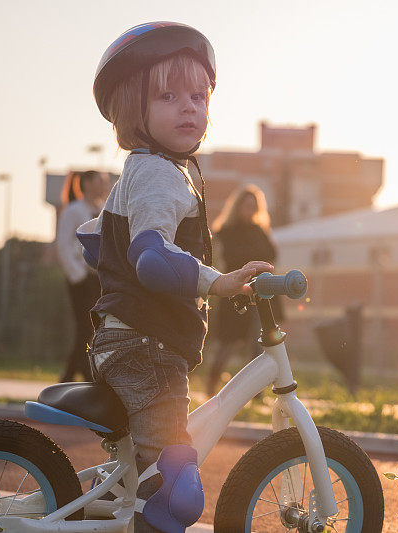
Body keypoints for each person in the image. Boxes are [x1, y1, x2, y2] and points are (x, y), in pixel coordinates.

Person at [77, 22, 273, 532]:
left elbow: (97, 243)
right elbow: (152, 259)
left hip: (121, 341)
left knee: (142, 473)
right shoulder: (162, 173)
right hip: (146, 350)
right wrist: (222, 282)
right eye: (168, 95)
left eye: (198, 94)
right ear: (132, 111)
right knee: (175, 490)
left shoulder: (140, 170)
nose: (189, 106)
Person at [206, 185, 283, 396]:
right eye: (247, 205)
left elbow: (271, 255)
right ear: (237, 206)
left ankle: (255, 393)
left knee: (259, 344)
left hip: (260, 294)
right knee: (228, 343)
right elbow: (233, 258)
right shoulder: (227, 232)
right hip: (236, 292)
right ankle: (211, 387)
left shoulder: (259, 230)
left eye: (254, 206)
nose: (250, 210)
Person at [55, 170, 106, 383]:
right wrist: (77, 275)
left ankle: (71, 378)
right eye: (98, 181)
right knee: (85, 327)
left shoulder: (104, 209)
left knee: (92, 329)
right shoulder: (74, 210)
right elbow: (63, 244)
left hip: (99, 280)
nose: (103, 185)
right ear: (86, 183)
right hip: (81, 278)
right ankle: (76, 378)